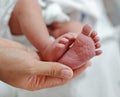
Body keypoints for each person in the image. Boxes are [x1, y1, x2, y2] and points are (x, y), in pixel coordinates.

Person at [0, 0, 91, 91]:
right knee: (28, 4)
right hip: (17, 24)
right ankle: (54, 49)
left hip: (30, 34)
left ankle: (62, 51)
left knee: (28, 4)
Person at [9, 0, 102, 69]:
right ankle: (46, 48)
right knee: (27, 4)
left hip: (59, 17)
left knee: (75, 28)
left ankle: (70, 51)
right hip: (22, 23)